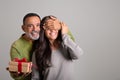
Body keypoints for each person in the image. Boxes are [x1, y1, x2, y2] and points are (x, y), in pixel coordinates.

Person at [31, 15, 83, 80]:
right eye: (48, 27)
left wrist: (64, 35)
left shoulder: (66, 45)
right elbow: (35, 78)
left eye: (55, 26)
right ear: (43, 30)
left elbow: (79, 54)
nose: (52, 30)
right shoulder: (37, 53)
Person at [8, 13, 41, 80]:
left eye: (38, 25)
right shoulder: (16, 46)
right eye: (30, 26)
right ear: (23, 28)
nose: (35, 29)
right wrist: (17, 73)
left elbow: (66, 40)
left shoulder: (46, 38)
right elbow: (16, 75)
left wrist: (60, 26)